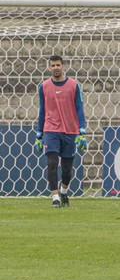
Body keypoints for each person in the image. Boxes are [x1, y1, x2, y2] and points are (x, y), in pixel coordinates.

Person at [34, 54, 87, 208]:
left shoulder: (74, 85)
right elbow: (42, 110)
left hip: (70, 131)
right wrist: (39, 134)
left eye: (58, 65)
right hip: (51, 130)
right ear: (49, 67)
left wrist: (82, 131)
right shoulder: (43, 86)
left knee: (66, 171)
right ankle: (55, 198)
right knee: (51, 163)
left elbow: (79, 107)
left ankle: (64, 191)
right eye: (53, 65)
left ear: (63, 66)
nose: (55, 68)